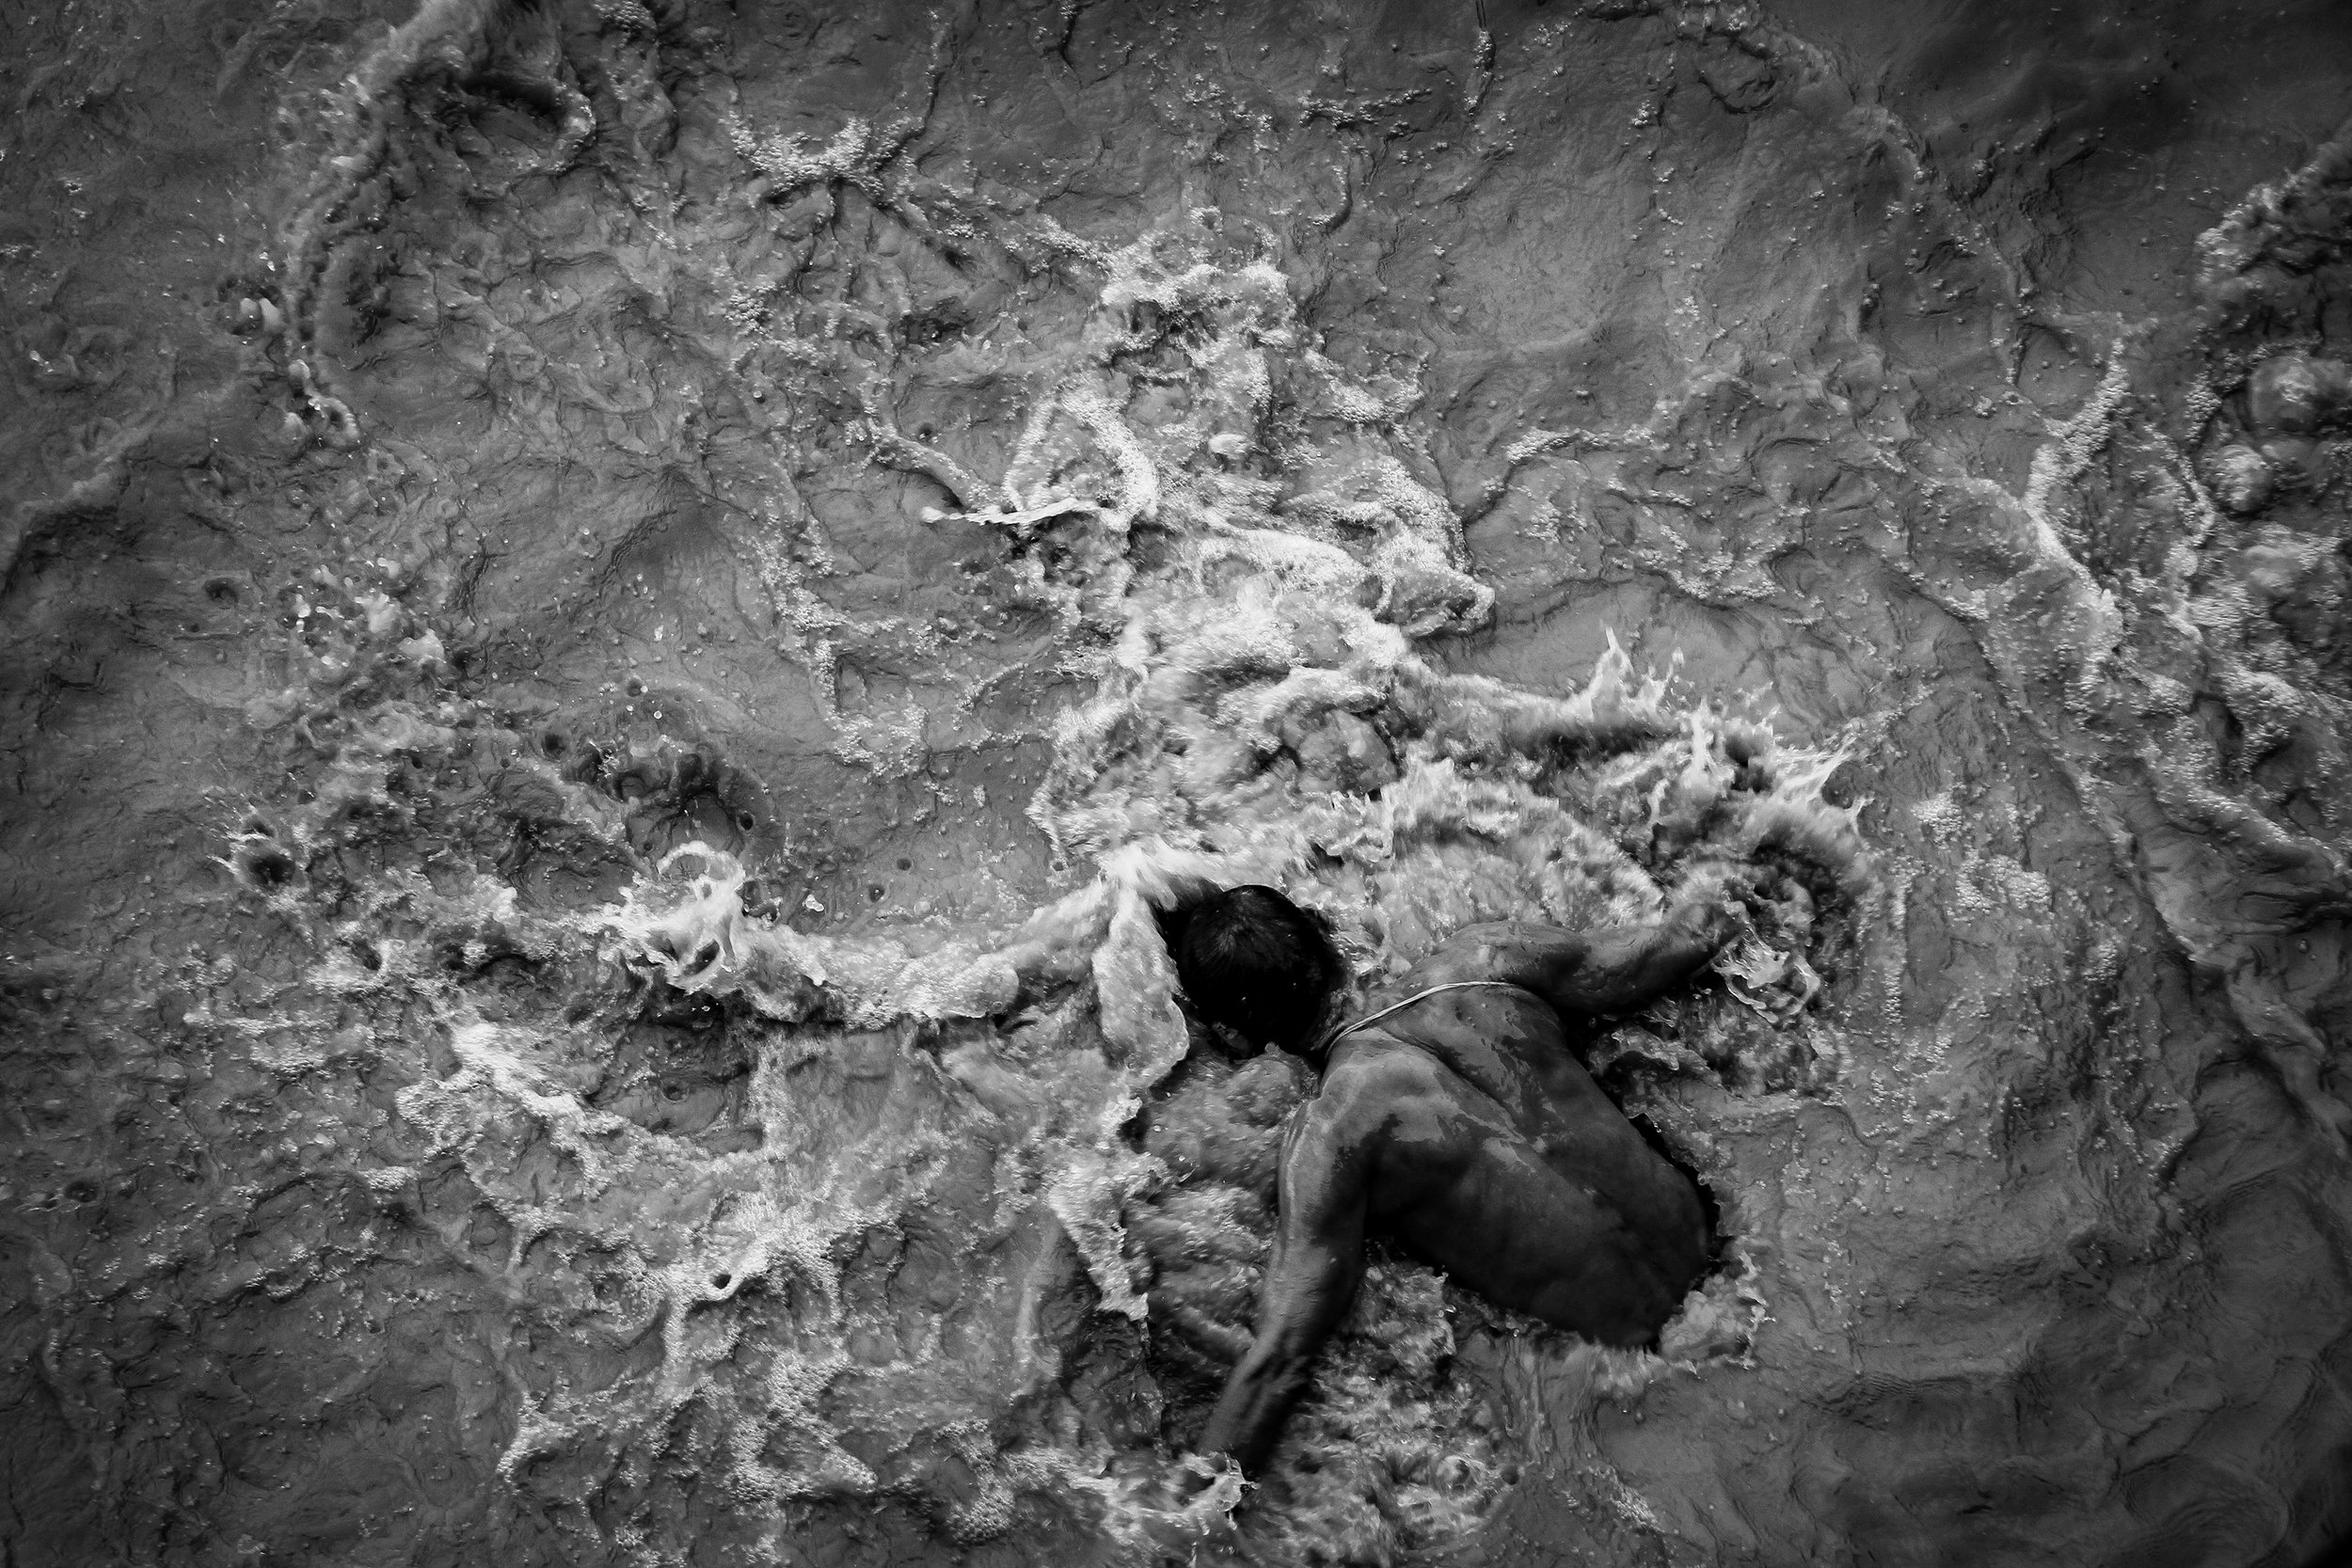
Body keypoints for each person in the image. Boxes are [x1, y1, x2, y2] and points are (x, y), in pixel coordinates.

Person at [1169, 881, 1738, 1478]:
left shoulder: (1333, 1135)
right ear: (1329, 938)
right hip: (1733, 1270)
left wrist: (1187, 1518)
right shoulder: (1487, 960)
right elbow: (1680, 942)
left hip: (1644, 1381)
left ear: (1233, 1036)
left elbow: (1279, 1361)